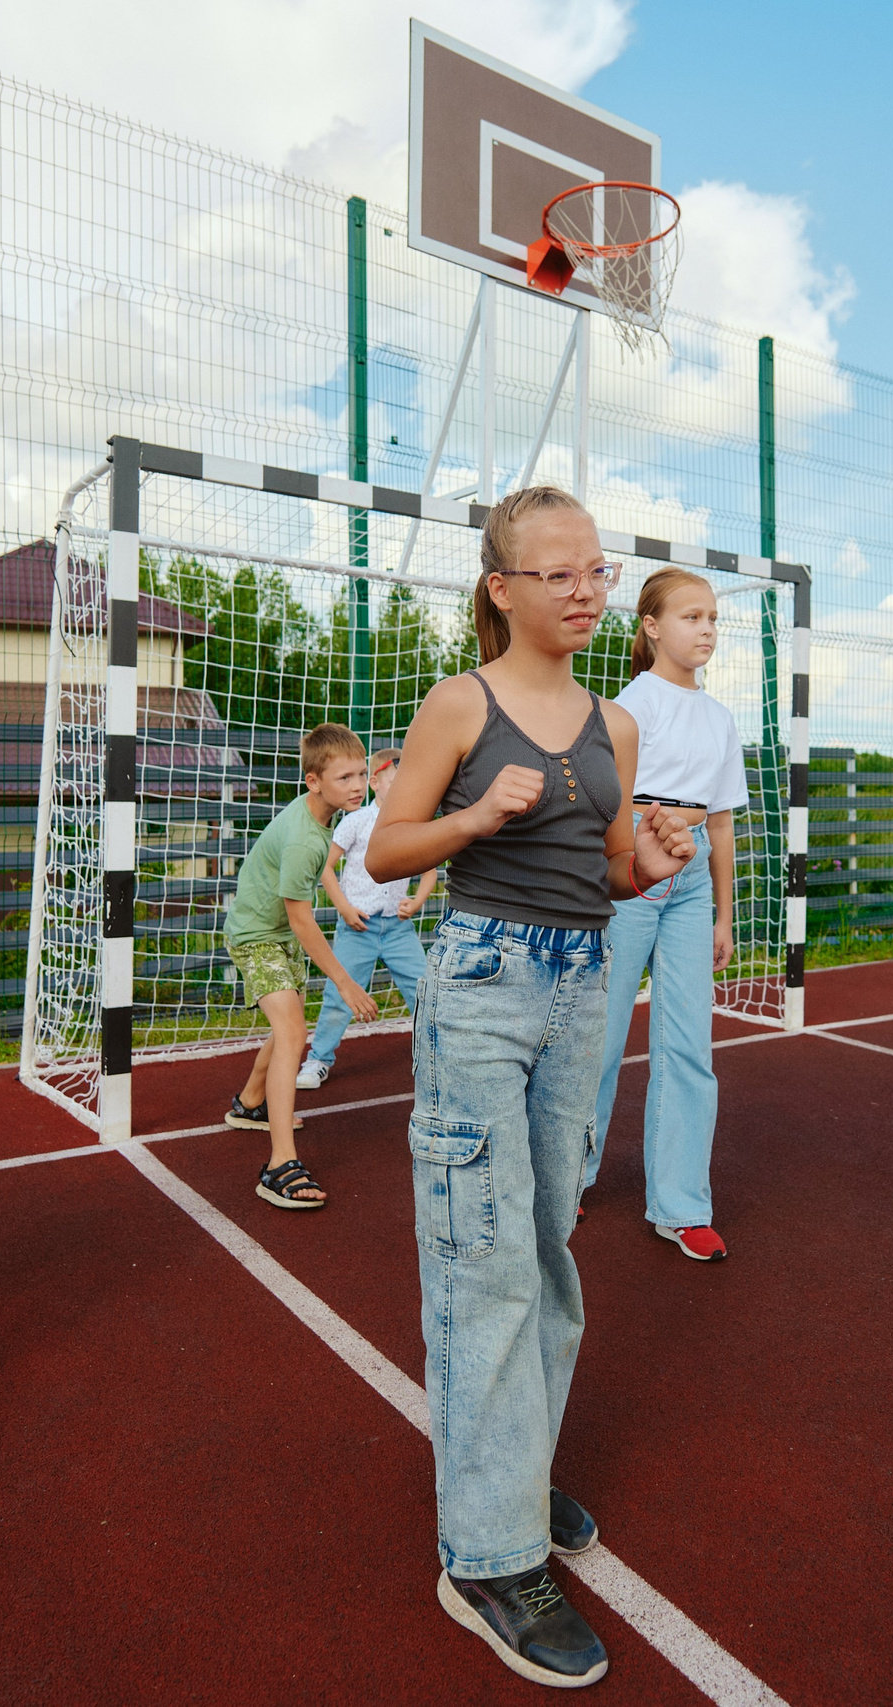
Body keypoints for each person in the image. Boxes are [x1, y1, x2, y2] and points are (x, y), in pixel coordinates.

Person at [365, 485, 696, 1689]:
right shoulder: (461, 702)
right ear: (502, 589)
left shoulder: (616, 726)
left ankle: (510, 1467)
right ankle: (487, 1557)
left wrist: (644, 865)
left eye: (597, 570)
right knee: (484, 1258)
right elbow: (385, 852)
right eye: (558, 572)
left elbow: (603, 872)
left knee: (547, 1247)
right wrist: (472, 817)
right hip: (480, 982)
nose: (586, 590)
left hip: (579, 986)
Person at [584, 567, 747, 1261]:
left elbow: (722, 825)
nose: (707, 629)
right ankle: (568, 1176)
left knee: (689, 1046)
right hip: (633, 871)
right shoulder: (628, 708)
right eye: (691, 616)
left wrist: (723, 917)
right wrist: (626, 867)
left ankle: (681, 1205)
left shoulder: (720, 719)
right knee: (599, 1039)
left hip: (692, 887)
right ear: (651, 626)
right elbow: (606, 809)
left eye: (712, 618)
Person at [222, 724, 379, 1209]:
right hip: (257, 937)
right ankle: (279, 1165)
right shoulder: (303, 840)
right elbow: (301, 918)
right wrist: (345, 983)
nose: (358, 785)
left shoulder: (321, 818)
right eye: (344, 777)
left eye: (361, 774)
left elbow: (306, 902)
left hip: (280, 935)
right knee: (292, 1033)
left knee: (287, 1028)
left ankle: (250, 1103)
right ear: (314, 782)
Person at [296, 746, 437, 1091]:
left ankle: (438, 1057)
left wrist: (416, 901)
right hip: (358, 927)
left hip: (398, 930)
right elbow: (326, 867)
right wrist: (344, 908)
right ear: (374, 782)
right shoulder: (355, 821)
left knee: (425, 991)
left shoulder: (412, 823)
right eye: (395, 780)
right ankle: (318, 1059)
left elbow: (430, 872)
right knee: (338, 995)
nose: (404, 787)